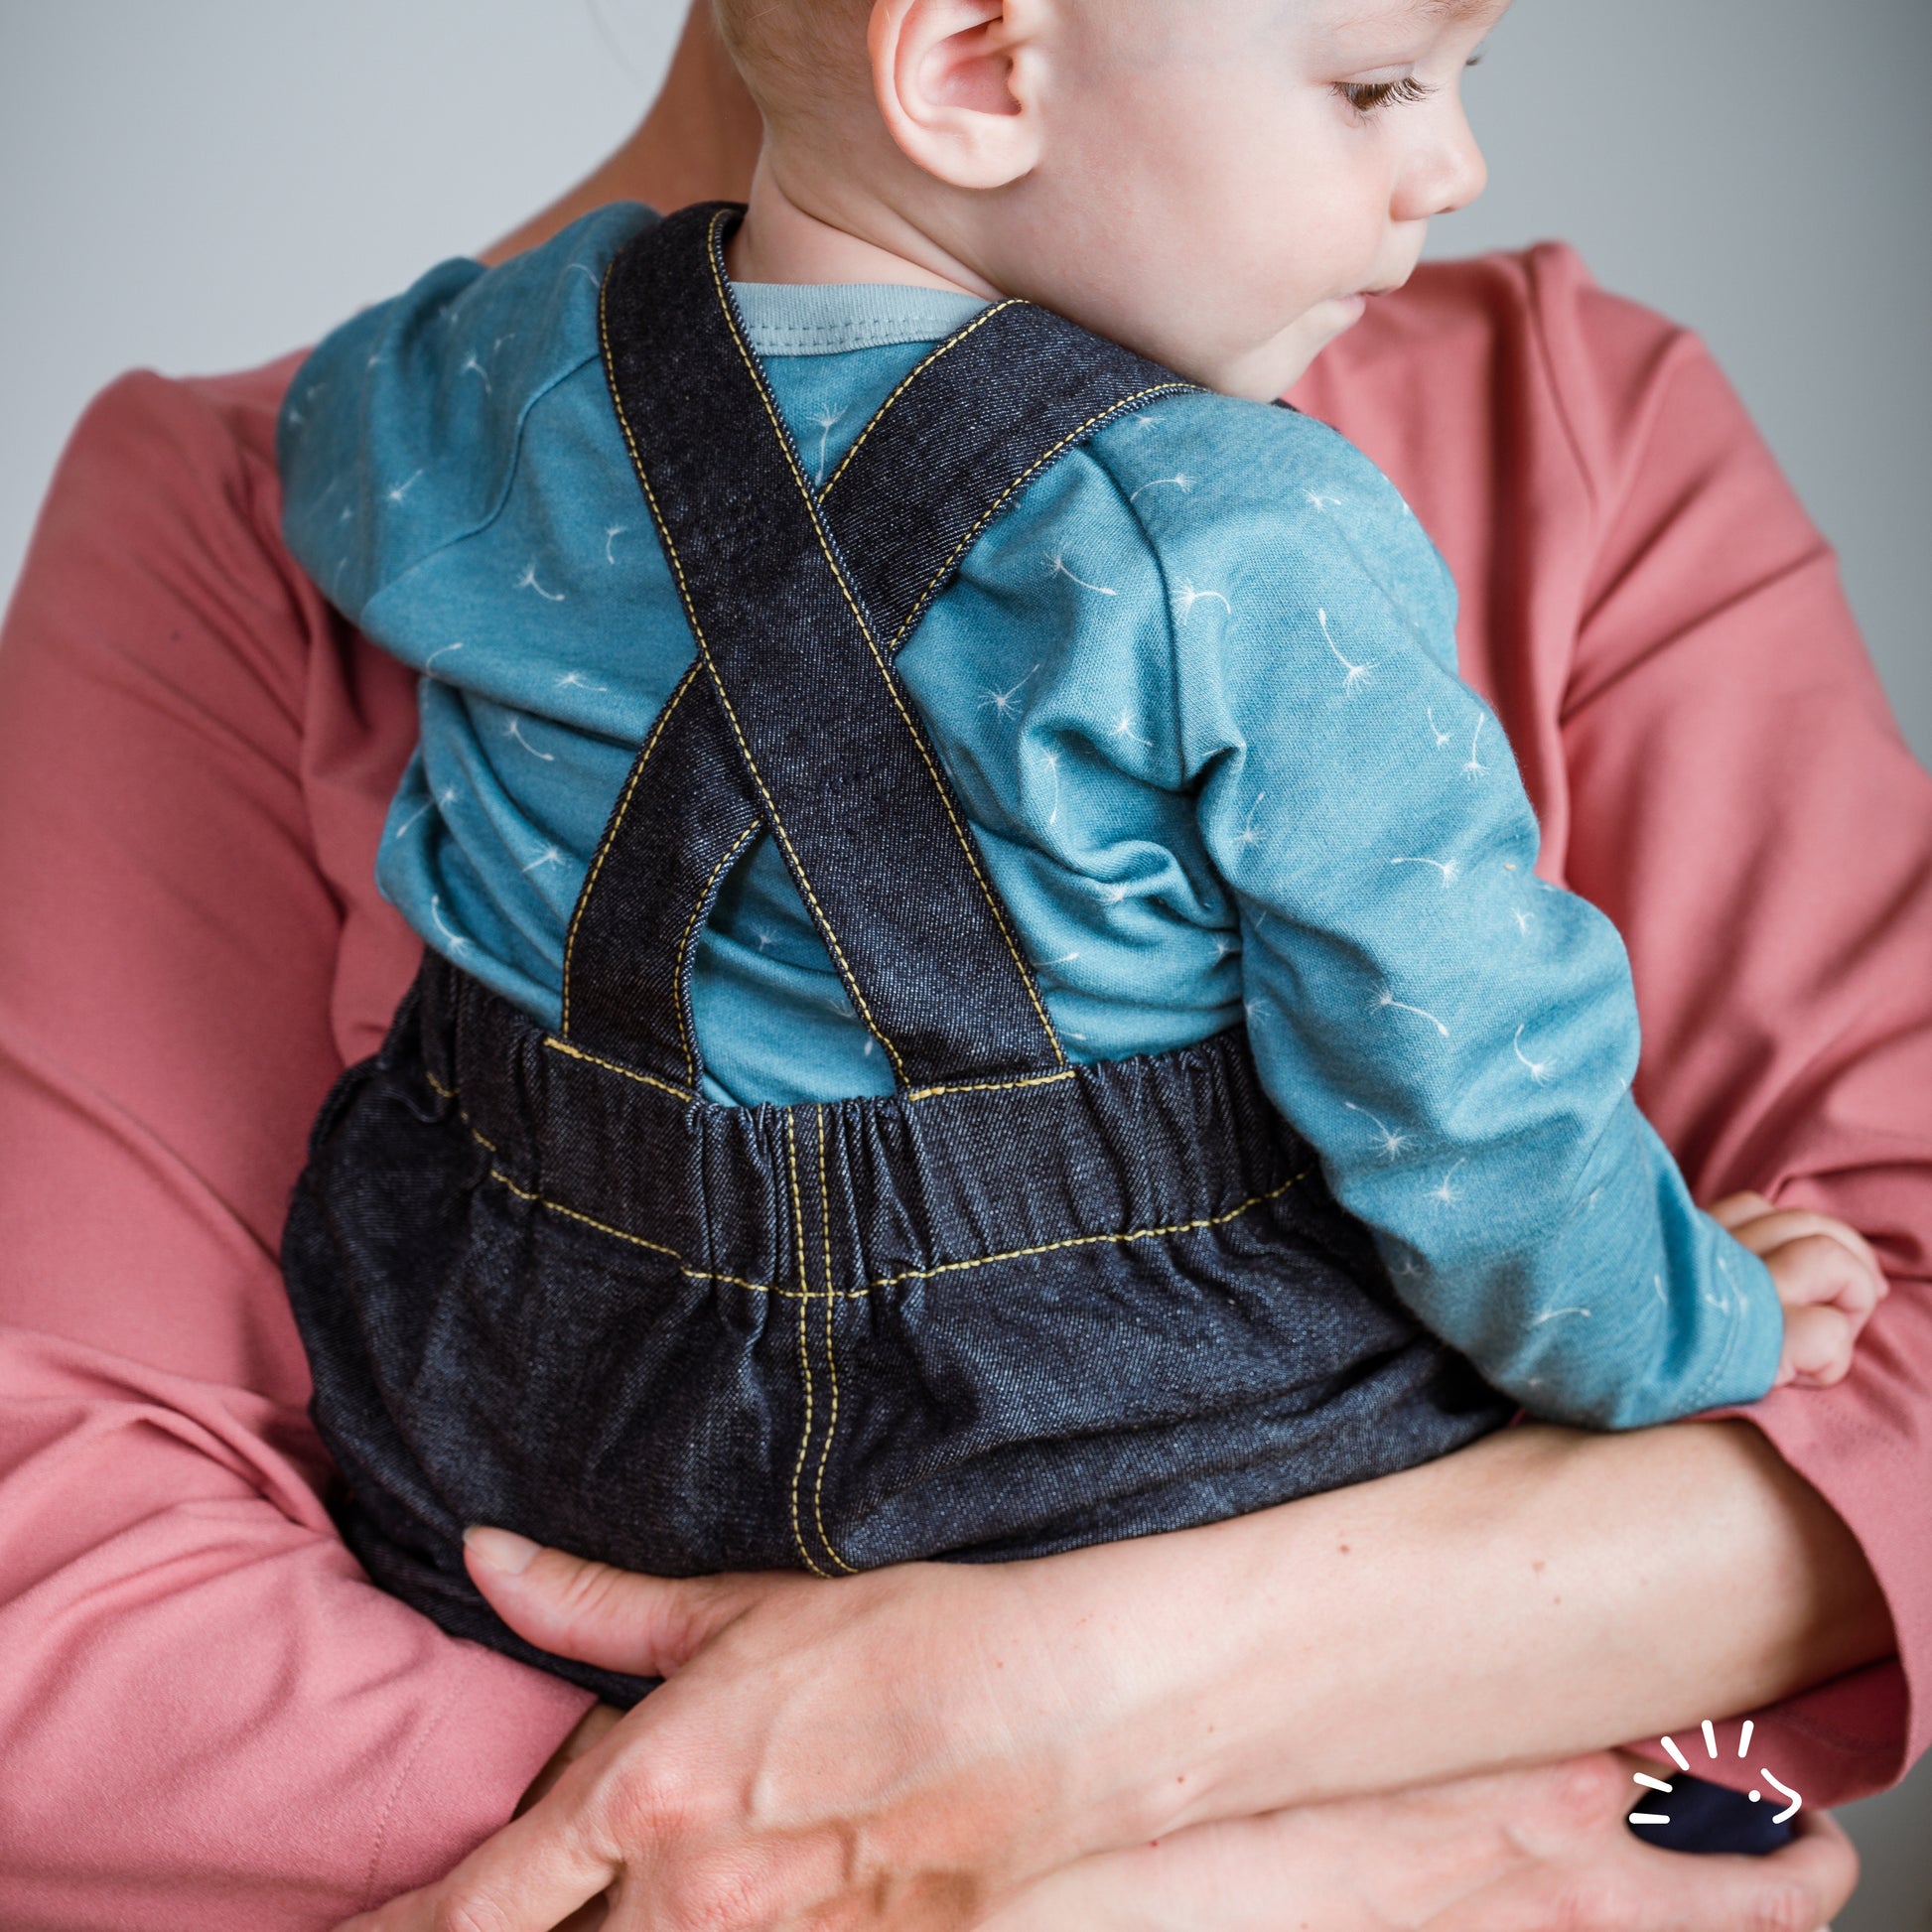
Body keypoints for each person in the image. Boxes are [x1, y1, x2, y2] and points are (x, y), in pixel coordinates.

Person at [0, 5, 1921, 1928]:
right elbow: (1474, 1093)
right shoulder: (1260, 531)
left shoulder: (455, 394)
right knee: (1701, 1791)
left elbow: (352, 432)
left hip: (536, 1419)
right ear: (976, 73)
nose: (1453, 167)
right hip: (1109, 1415)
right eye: (1374, 89)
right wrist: (1692, 1328)